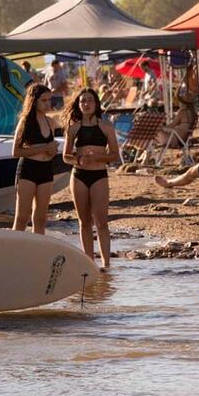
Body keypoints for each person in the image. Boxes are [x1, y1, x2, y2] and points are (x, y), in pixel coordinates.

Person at [63, 89, 120, 271]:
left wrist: (96, 158)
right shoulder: (73, 128)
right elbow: (65, 156)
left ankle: (106, 264)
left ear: (96, 104)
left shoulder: (106, 127)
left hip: (99, 175)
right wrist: (79, 159)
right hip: (79, 175)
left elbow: (114, 154)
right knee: (84, 221)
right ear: (79, 106)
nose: (86, 104)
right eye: (82, 102)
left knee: (101, 221)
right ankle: (89, 263)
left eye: (89, 101)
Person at [12, 84, 58, 234]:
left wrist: (52, 150)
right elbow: (16, 151)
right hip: (28, 169)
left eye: (49, 100)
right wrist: (44, 148)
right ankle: (12, 252)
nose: (47, 104)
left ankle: (37, 253)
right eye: (43, 100)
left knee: (40, 218)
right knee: (21, 218)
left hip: (46, 169)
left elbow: (50, 150)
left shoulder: (50, 121)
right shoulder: (25, 122)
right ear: (34, 101)